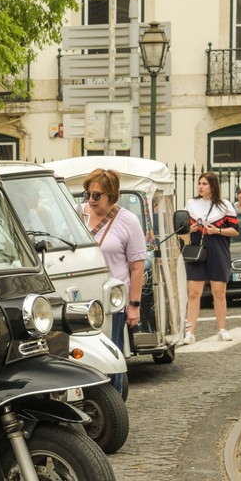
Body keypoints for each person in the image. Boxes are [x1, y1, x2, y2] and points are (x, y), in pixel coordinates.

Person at [82, 168, 145, 397]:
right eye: (87, 194)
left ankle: (113, 403)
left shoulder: (128, 221)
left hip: (112, 303)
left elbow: (137, 267)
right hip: (82, 299)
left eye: (97, 195)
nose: (90, 200)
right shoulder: (77, 215)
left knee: (111, 354)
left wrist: (134, 306)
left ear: (111, 195)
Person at [184, 171, 238, 343]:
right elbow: (182, 229)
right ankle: (189, 331)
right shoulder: (191, 204)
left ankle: (222, 329)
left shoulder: (225, 206)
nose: (200, 186)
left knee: (219, 292)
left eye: (204, 184)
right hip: (197, 249)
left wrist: (218, 231)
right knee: (193, 292)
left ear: (213, 186)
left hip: (218, 249)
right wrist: (189, 230)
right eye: (199, 183)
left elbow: (235, 230)